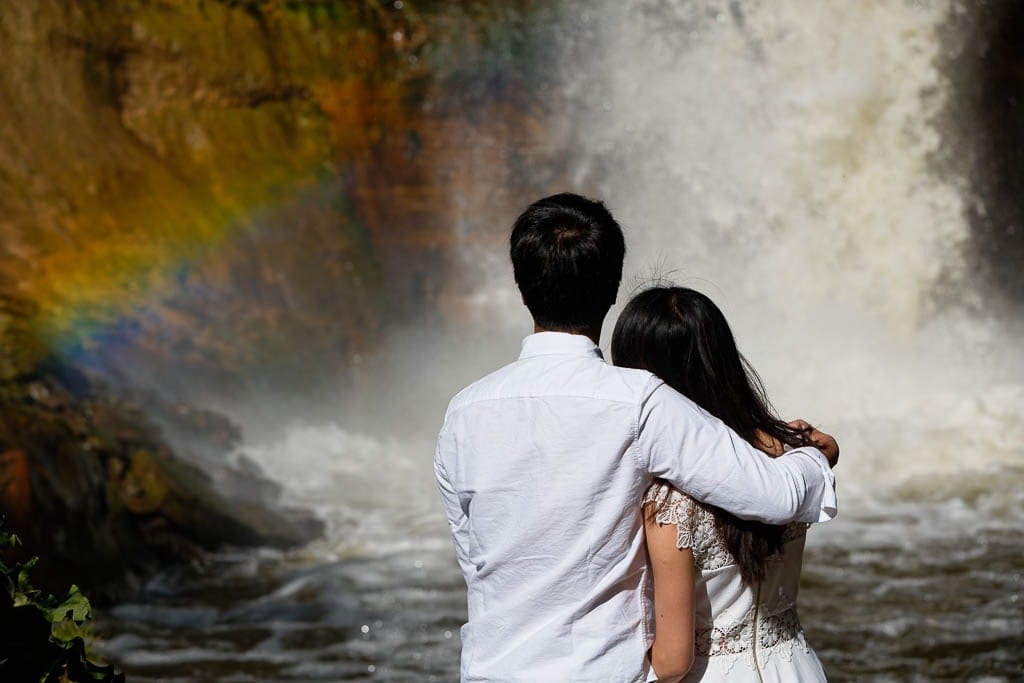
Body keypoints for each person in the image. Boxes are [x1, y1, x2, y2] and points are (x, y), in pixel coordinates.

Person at [434, 193, 838, 682]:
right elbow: (775, 497)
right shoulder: (641, 402)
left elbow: (474, 557)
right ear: (611, 290)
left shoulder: (464, 412)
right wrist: (816, 455)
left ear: (522, 289)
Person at [613, 286, 829, 681]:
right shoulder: (788, 455)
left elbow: (673, 660)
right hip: (796, 667)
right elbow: (825, 450)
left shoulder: (669, 504)